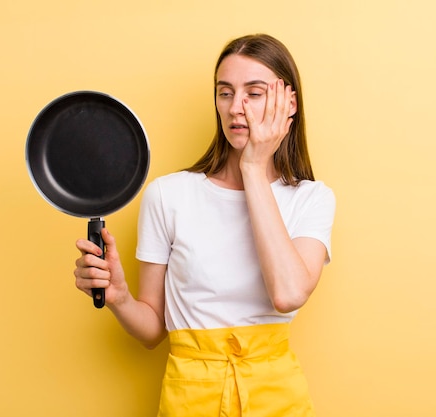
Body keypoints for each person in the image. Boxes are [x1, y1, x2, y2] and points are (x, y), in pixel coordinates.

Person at [74, 33, 336, 417]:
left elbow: (288, 293)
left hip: (277, 399)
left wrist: (252, 167)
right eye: (225, 92)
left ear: (288, 102)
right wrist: (119, 297)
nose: (236, 108)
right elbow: (152, 331)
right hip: (189, 399)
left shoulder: (312, 198)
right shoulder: (168, 195)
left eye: (255, 93)